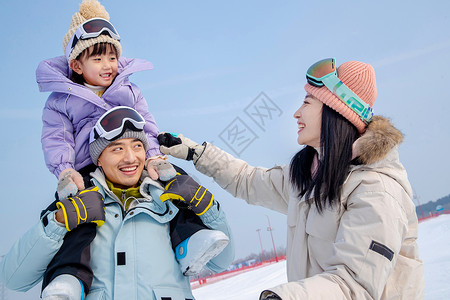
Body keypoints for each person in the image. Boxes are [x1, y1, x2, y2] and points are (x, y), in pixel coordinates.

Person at [158, 58, 425, 299]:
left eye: (307, 102)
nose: (297, 113)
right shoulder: (309, 179)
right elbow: (248, 180)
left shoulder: (377, 190)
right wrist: (197, 153)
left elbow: (354, 285)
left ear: (336, 113)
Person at [37, 0, 229, 297]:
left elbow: (147, 125)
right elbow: (56, 137)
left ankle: (190, 239)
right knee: (84, 221)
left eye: (112, 57)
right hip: (88, 170)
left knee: (172, 186)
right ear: (76, 65)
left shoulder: (128, 89)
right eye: (98, 60)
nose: (108, 66)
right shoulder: (61, 100)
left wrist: (154, 156)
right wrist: (65, 171)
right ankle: (68, 277)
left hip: (133, 164)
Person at [0, 107, 234, 300]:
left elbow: (222, 262)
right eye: (117, 148)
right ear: (99, 158)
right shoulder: (79, 200)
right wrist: (60, 221)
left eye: (137, 146)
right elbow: (15, 279)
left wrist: (207, 207)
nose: (131, 158)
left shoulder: (167, 196)